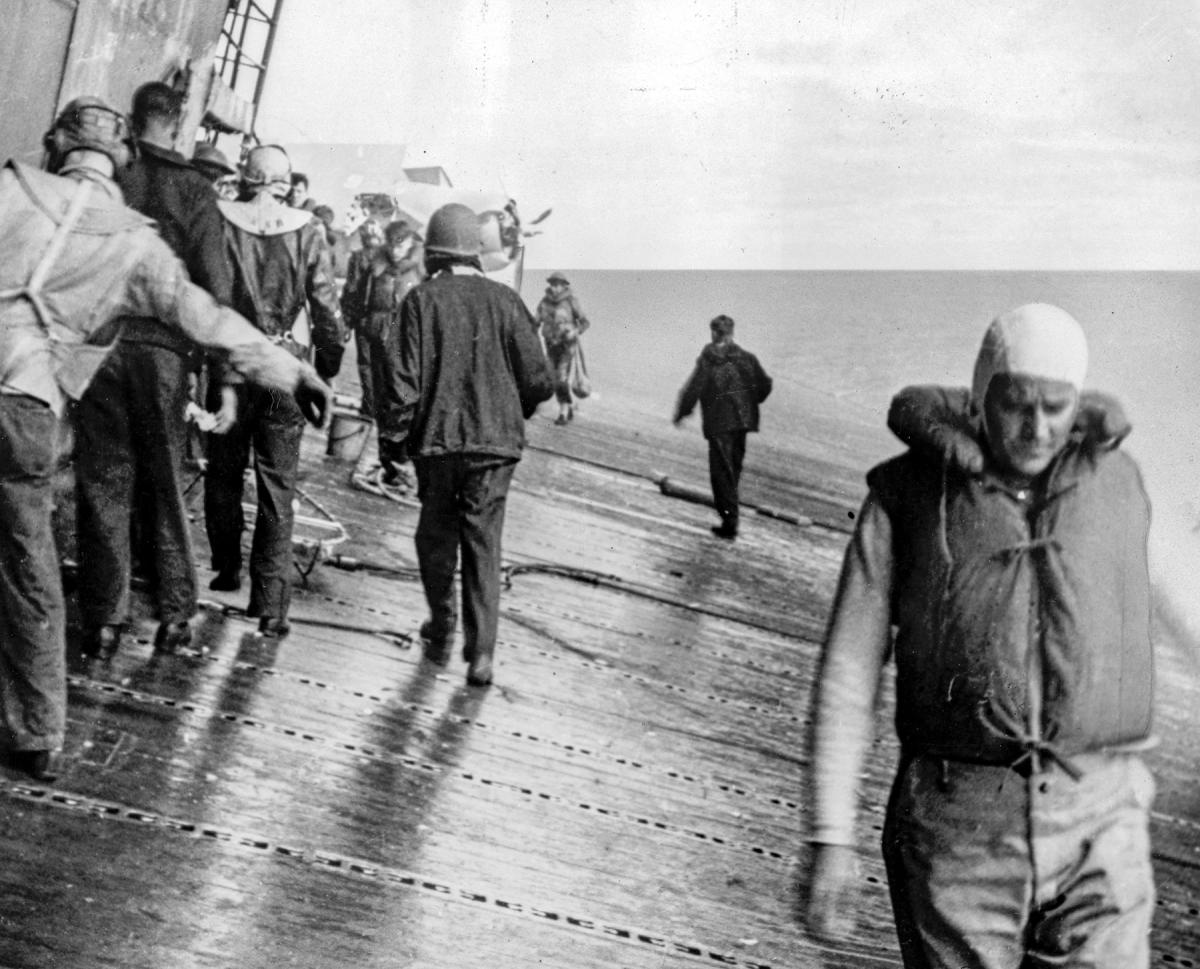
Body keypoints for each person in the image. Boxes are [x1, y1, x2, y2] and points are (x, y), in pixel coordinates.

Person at [802, 303, 1157, 969]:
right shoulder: (904, 497)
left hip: (1100, 814)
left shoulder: (1116, 487)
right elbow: (848, 672)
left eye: (1056, 407)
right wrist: (830, 836)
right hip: (957, 823)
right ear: (979, 393)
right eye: (1016, 404)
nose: (1037, 427)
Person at [0, 97, 331, 781]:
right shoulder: (135, 241)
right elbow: (203, 312)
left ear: (54, 142)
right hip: (29, 408)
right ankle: (37, 731)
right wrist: (290, 371)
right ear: (118, 159)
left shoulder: (8, 189)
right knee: (29, 565)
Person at [73, 81, 233, 662]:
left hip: (100, 348)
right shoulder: (195, 190)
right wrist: (224, 379)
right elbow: (217, 288)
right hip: (164, 354)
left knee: (103, 481)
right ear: (179, 119)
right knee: (165, 480)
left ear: (134, 120)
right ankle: (174, 615)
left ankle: (104, 620)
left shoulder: (113, 178)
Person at [376, 203, 553, 686]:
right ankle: (482, 655)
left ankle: (442, 620)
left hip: (436, 443)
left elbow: (400, 385)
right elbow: (539, 380)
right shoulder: (507, 300)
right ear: (477, 254)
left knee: (434, 534)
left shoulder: (418, 301)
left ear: (433, 254)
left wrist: (392, 444)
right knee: (483, 541)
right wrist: (515, 413)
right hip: (496, 446)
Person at [204, 144, 344, 637]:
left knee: (222, 472)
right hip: (286, 367)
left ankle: (225, 567)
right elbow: (326, 310)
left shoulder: (220, 219)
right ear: (284, 183)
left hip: (230, 360)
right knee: (276, 487)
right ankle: (269, 604)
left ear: (246, 175)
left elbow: (212, 297)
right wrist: (324, 368)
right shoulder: (307, 230)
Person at [672, 315, 772, 539]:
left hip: (720, 420)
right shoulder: (747, 358)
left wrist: (682, 412)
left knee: (721, 472)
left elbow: (694, 388)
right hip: (744, 421)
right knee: (733, 470)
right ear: (731, 333)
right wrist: (748, 403)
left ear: (714, 333)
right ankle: (729, 519)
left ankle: (730, 522)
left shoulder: (710, 358)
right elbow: (765, 385)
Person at [341, 219, 423, 490]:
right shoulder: (376, 265)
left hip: (406, 344)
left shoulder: (421, 271)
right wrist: (348, 320)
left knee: (401, 401)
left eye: (401, 243)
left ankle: (400, 463)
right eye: (392, 243)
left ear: (412, 242)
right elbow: (353, 294)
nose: (396, 249)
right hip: (375, 336)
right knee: (379, 402)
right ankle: (388, 463)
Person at [340, 217, 386, 417]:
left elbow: (351, 289)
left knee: (365, 363)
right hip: (386, 319)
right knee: (382, 363)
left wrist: (346, 321)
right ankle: (383, 404)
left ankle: (369, 406)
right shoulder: (389, 258)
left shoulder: (358, 257)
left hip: (363, 318)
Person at [535, 272, 590, 425]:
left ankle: (563, 412)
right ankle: (569, 406)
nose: (555, 287)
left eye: (558, 284)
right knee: (552, 378)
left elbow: (585, 322)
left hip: (567, 346)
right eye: (553, 284)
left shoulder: (571, 301)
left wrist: (574, 331)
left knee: (561, 378)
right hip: (551, 345)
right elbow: (536, 321)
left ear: (564, 285)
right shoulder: (544, 302)